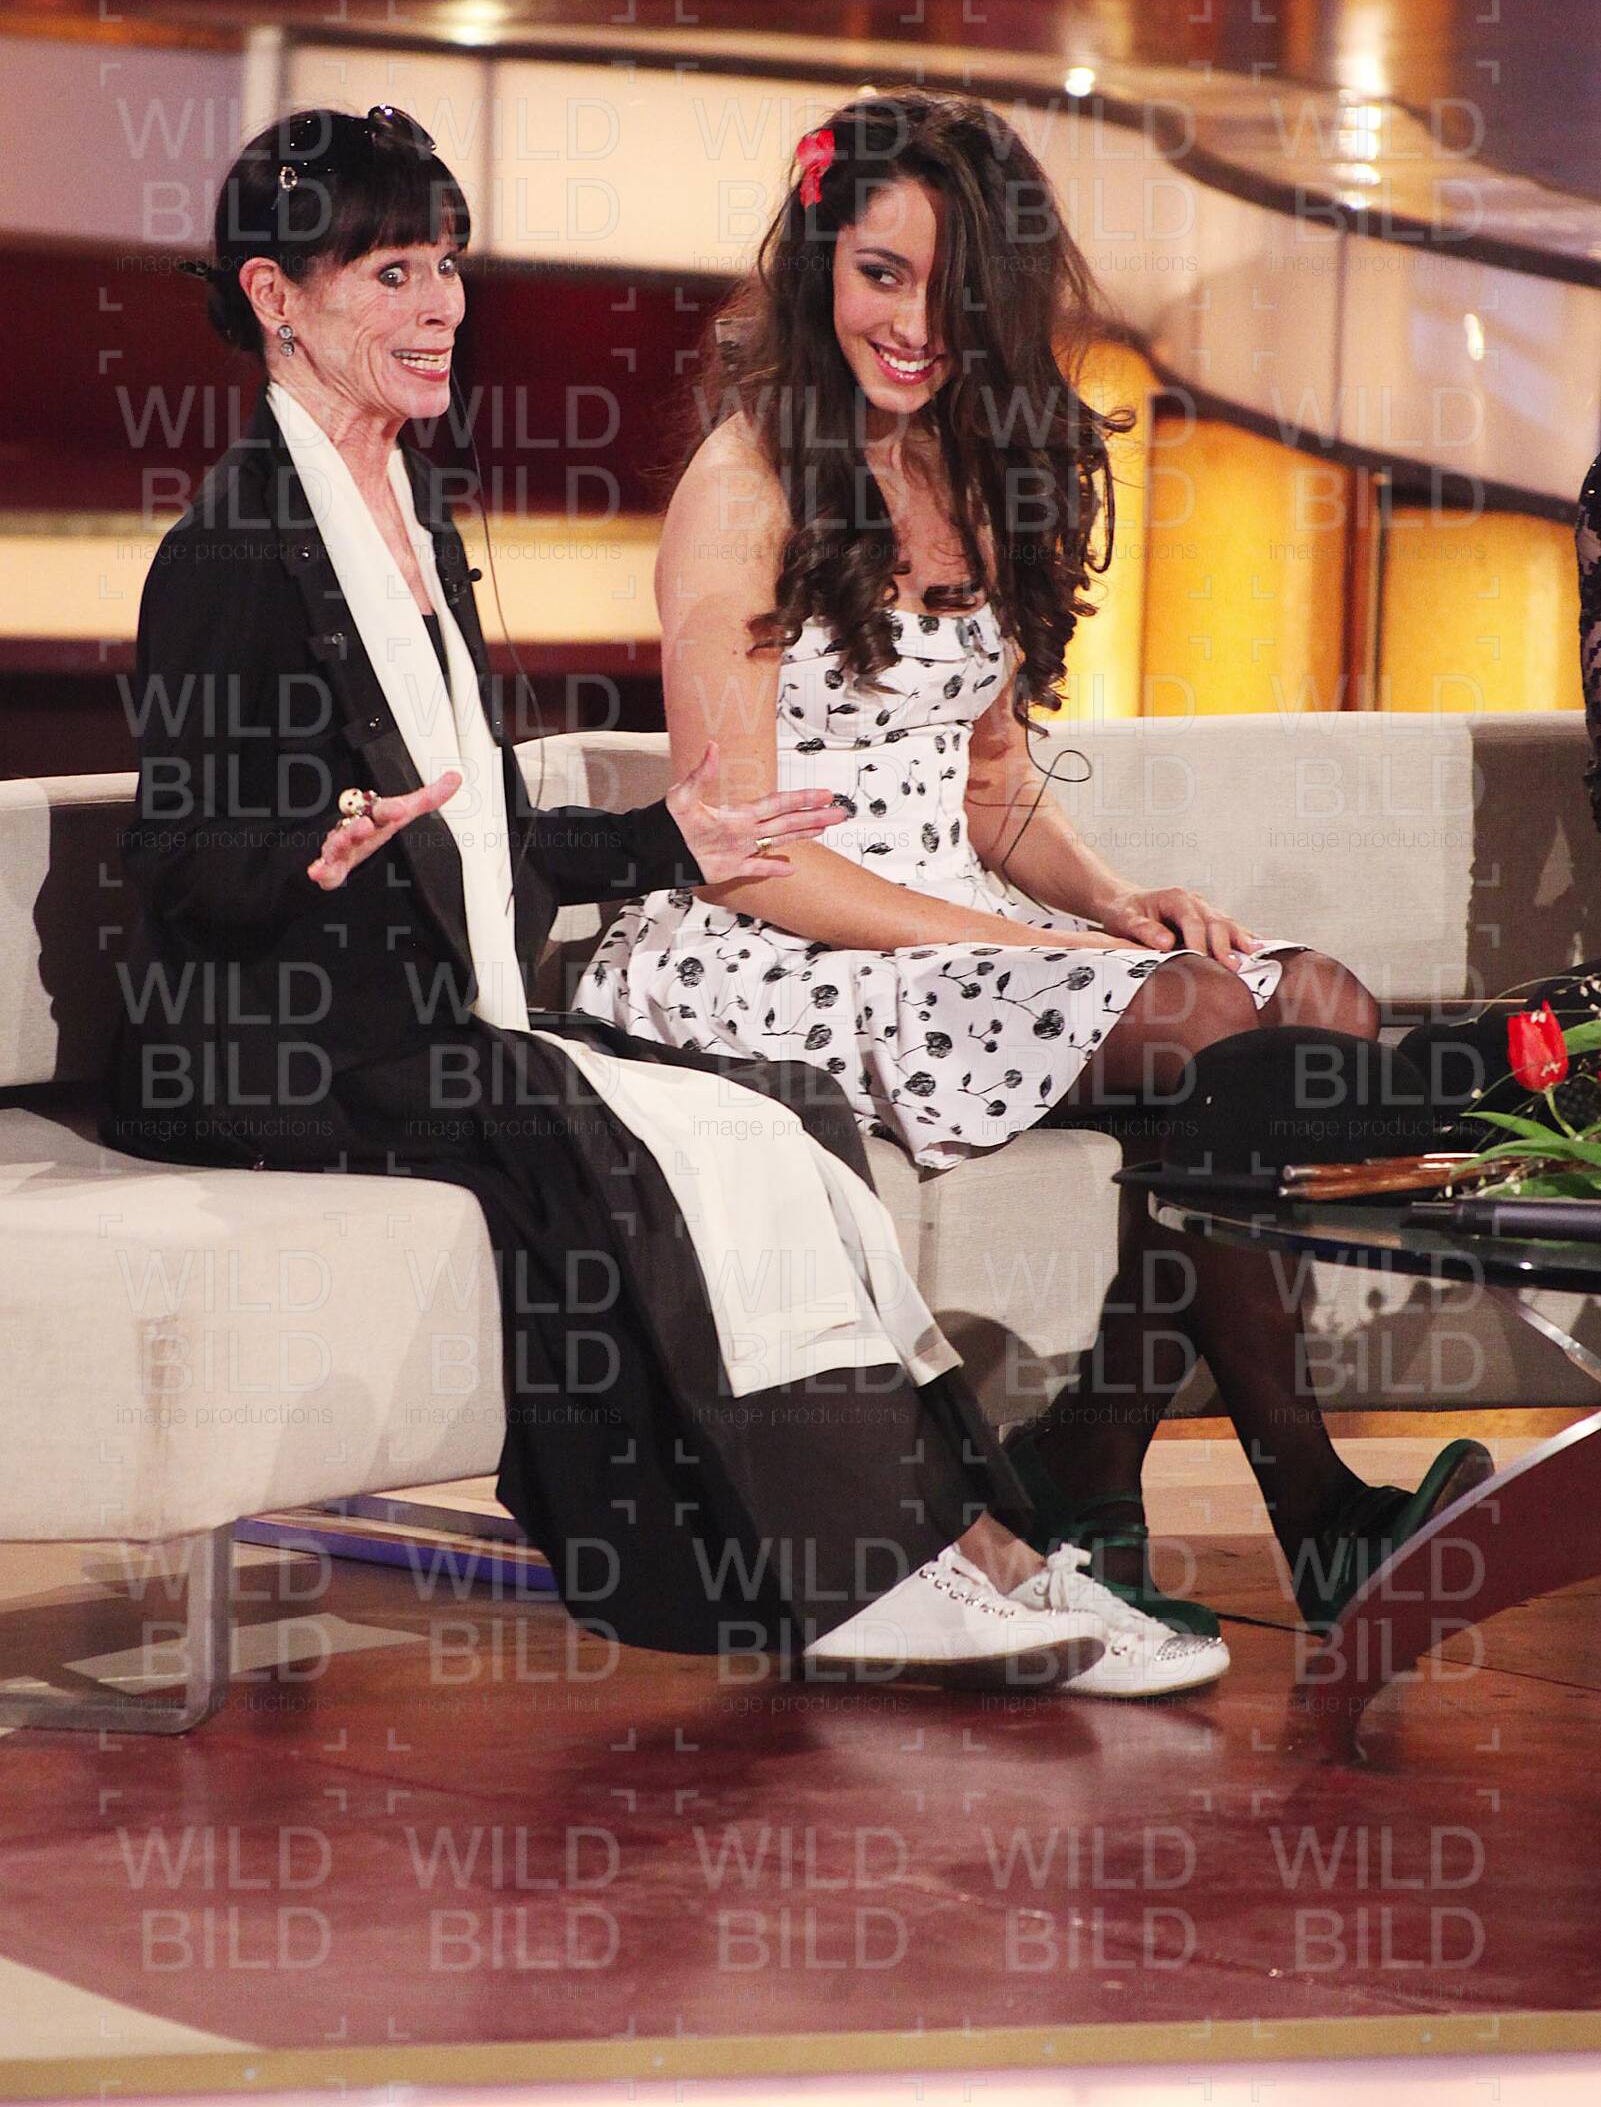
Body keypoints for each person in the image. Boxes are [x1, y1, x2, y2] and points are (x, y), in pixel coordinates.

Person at [102, 102, 1229, 1700]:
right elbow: (175, 863)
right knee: (641, 1139)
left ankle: (978, 1549)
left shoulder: (407, 514)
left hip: (421, 1020)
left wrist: (661, 842)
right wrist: (311, 846)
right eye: (390, 275)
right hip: (281, 1047)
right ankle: (869, 1577)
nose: (439, 308)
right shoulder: (231, 548)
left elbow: (477, 836)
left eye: (446, 267)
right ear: (276, 299)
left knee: (772, 1115)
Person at [578, 89, 1492, 1635]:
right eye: (880, 275)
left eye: (953, 291)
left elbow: (991, 784)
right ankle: (1307, 1506)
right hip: (780, 947)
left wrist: (1114, 905)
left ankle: (1093, 1459)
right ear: (817, 263)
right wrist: (1043, 954)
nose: (912, 325)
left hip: (963, 928)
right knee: (1209, 1021)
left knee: (1313, 1001)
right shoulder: (743, 484)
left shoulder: (983, 467)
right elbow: (741, 859)